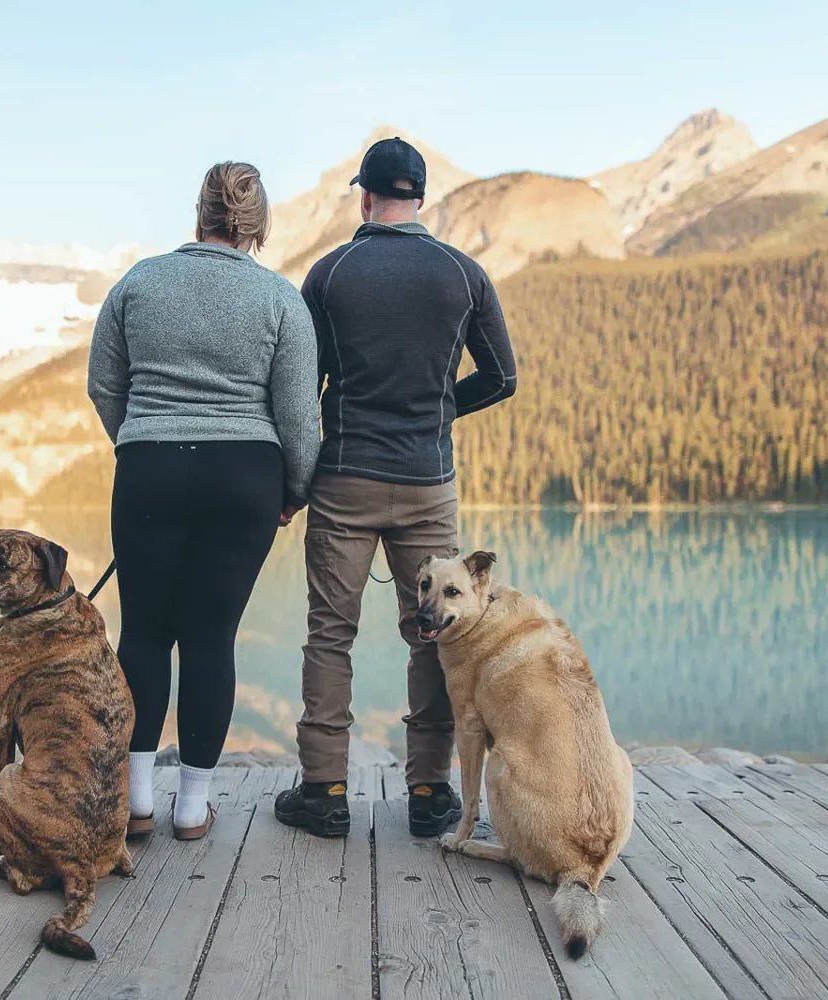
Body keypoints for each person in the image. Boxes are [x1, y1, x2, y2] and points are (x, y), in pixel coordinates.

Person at [274, 137, 517, 838]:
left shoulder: (329, 273)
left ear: (365, 197)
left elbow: (302, 388)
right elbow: (502, 377)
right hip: (427, 484)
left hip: (344, 479)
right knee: (433, 634)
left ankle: (324, 791)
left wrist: (292, 480)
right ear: (421, 198)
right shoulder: (464, 274)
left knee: (330, 634)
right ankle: (429, 793)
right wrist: (439, 410)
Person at [87, 161, 320, 841]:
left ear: (199, 212)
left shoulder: (137, 283)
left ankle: (135, 803)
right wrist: (294, 489)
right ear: (258, 225)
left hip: (150, 469)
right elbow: (298, 415)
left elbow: (104, 385)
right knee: (211, 637)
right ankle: (192, 808)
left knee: (144, 633)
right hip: (244, 476)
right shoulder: (280, 300)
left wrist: (139, 441)